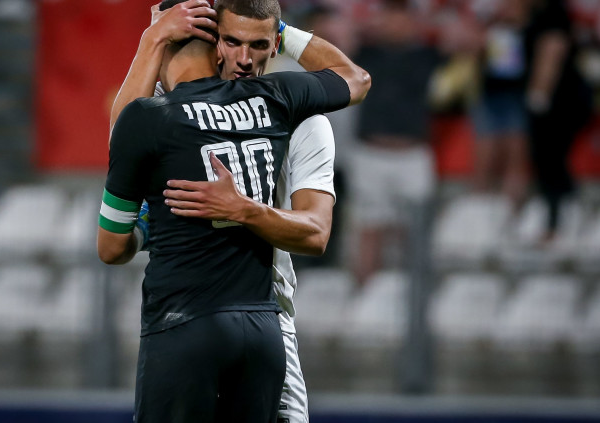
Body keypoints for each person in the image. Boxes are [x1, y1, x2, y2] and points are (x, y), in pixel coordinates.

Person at [97, 0, 369, 421]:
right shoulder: (274, 99)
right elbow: (354, 78)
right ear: (217, 45)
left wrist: (243, 209)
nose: (243, 59)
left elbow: (316, 232)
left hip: (251, 309)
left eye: (258, 44)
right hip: (252, 323)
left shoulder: (299, 115)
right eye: (232, 41)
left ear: (273, 43)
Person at [347, 0, 442, 286]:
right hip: (370, 152)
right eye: (389, 17)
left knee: (413, 232)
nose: (395, 24)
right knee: (369, 229)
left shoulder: (430, 56)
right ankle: (364, 295)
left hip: (412, 154)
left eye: (401, 18)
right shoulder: (364, 53)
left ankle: (414, 299)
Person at [522, 0, 592, 244]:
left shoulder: (552, 12)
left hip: (559, 99)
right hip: (560, 98)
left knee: (550, 159)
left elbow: (551, 52)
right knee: (550, 160)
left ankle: (561, 223)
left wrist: (539, 94)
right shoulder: (541, 12)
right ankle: (559, 219)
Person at [469, 0, 531, 212]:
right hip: (489, 95)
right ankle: (478, 209)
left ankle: (511, 210)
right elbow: (475, 59)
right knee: (485, 154)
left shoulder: (531, 29)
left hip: (517, 97)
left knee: (515, 154)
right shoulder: (490, 28)